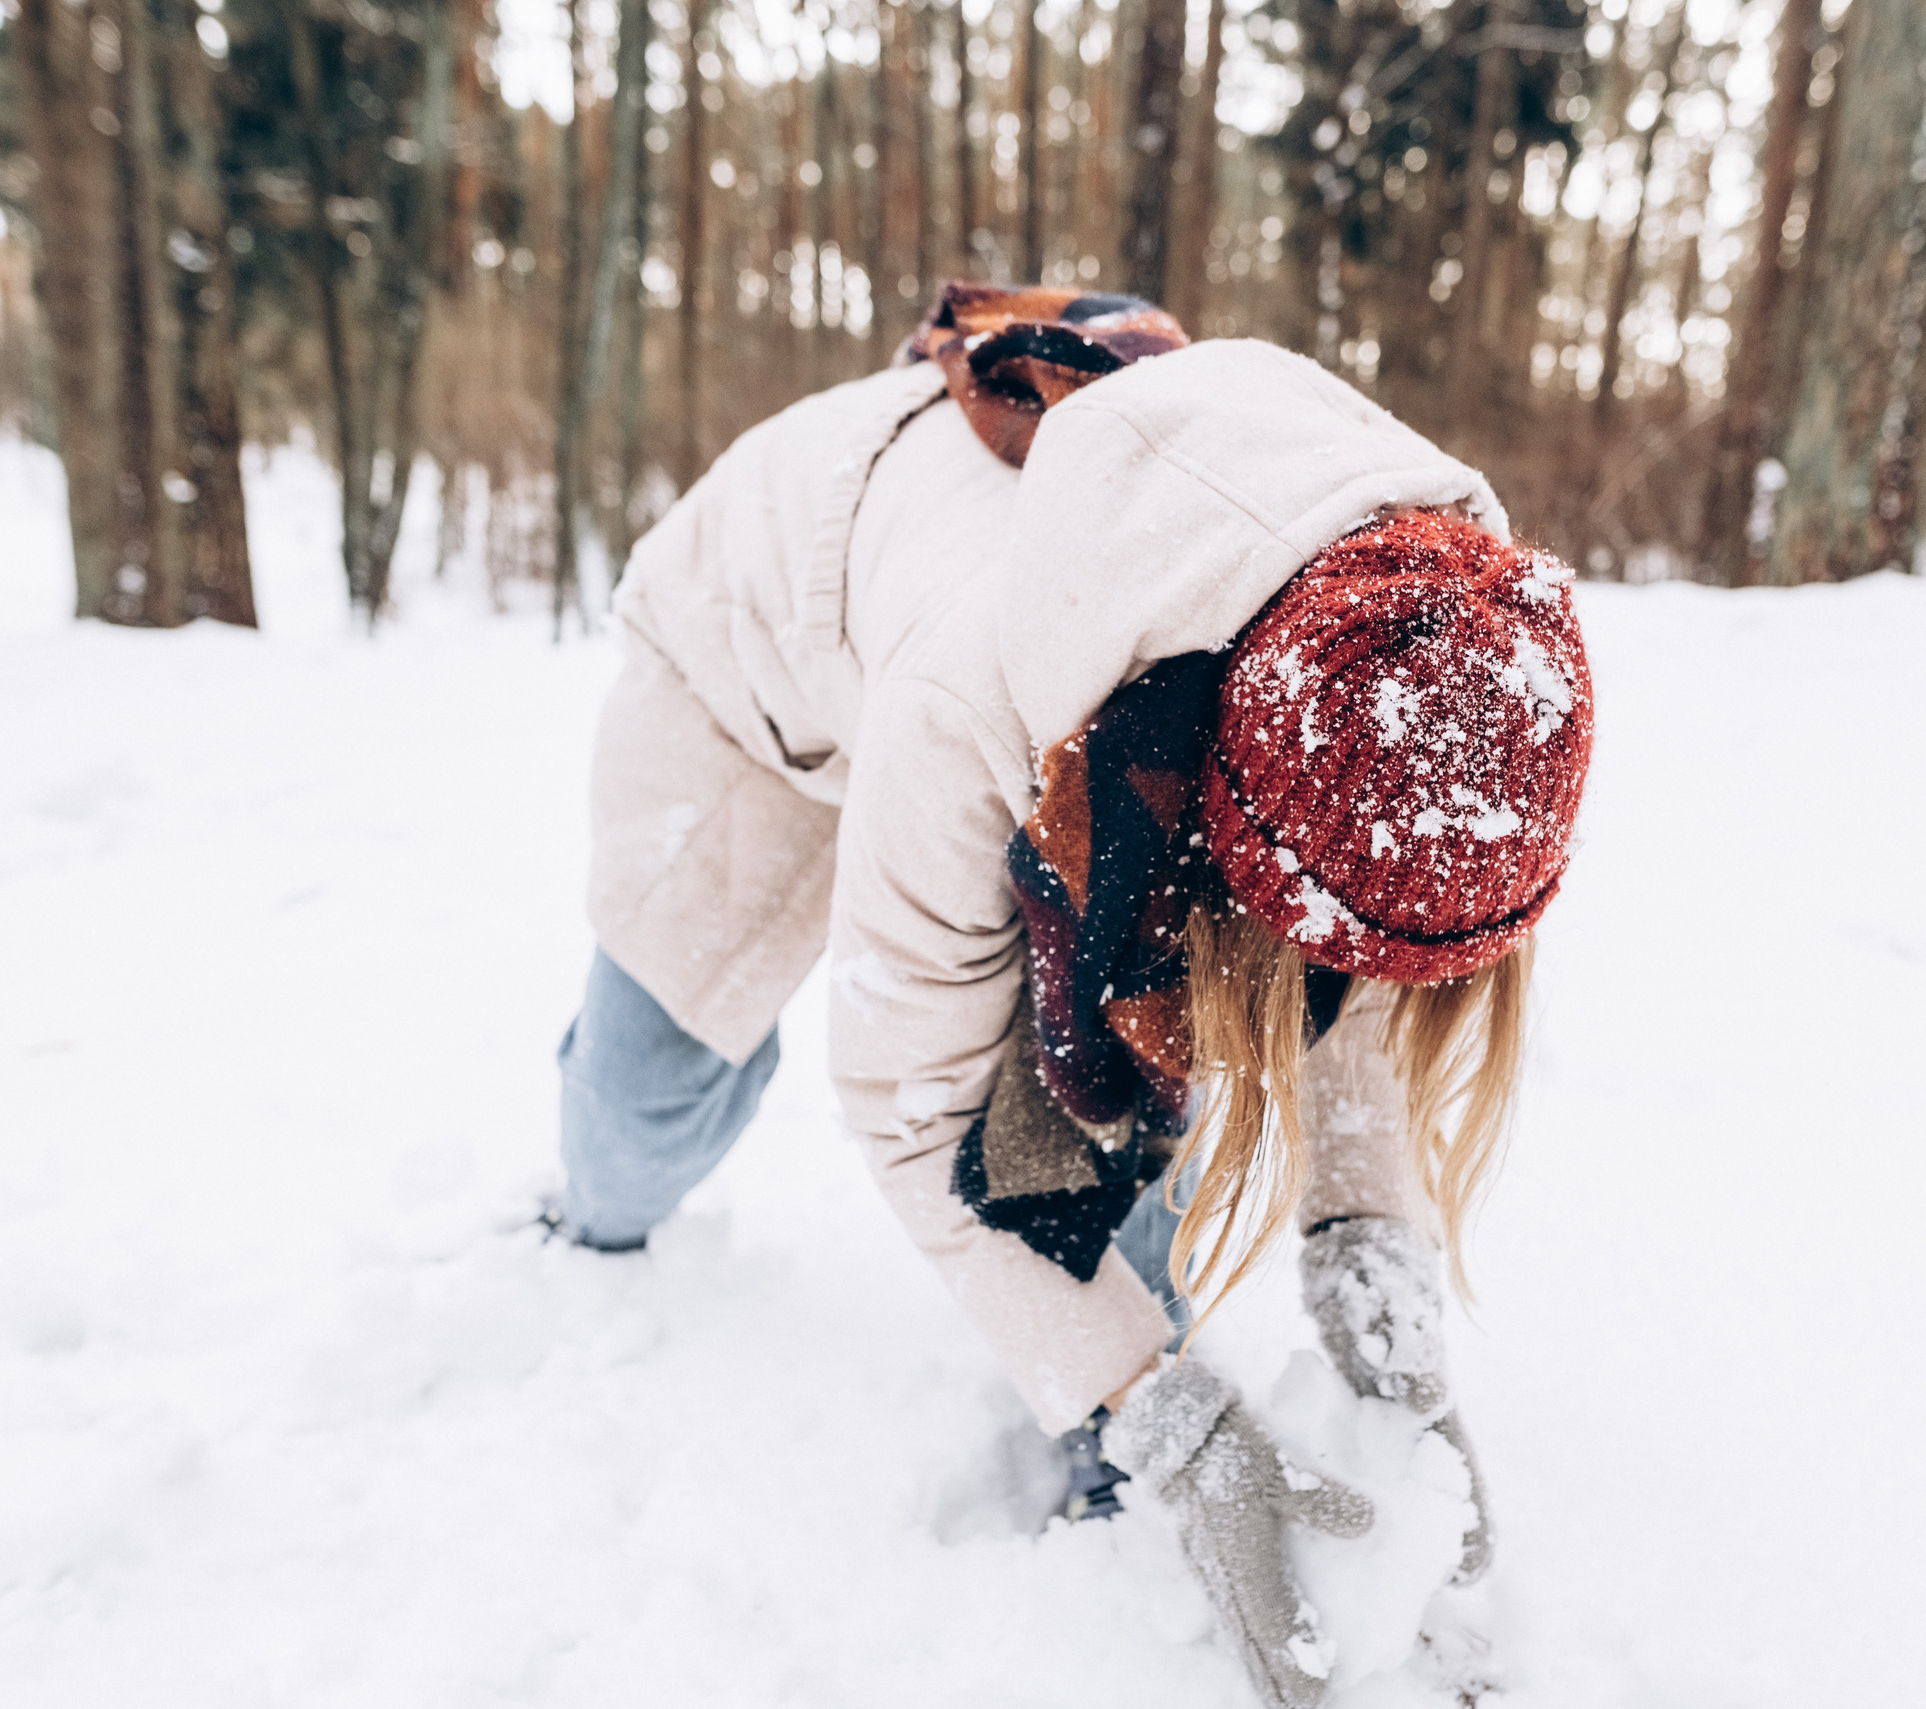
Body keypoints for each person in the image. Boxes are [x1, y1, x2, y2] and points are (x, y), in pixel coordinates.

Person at [550, 286, 1594, 1709]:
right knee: (645, 1106)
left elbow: (1349, 967)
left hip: (1079, 757)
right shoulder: (968, 690)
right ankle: (582, 1220)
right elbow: (911, 1113)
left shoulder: (1427, 636)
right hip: (768, 678)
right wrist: (1171, 1412)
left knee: (1121, 1207)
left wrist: (1372, 1259)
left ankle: (1106, 1489)